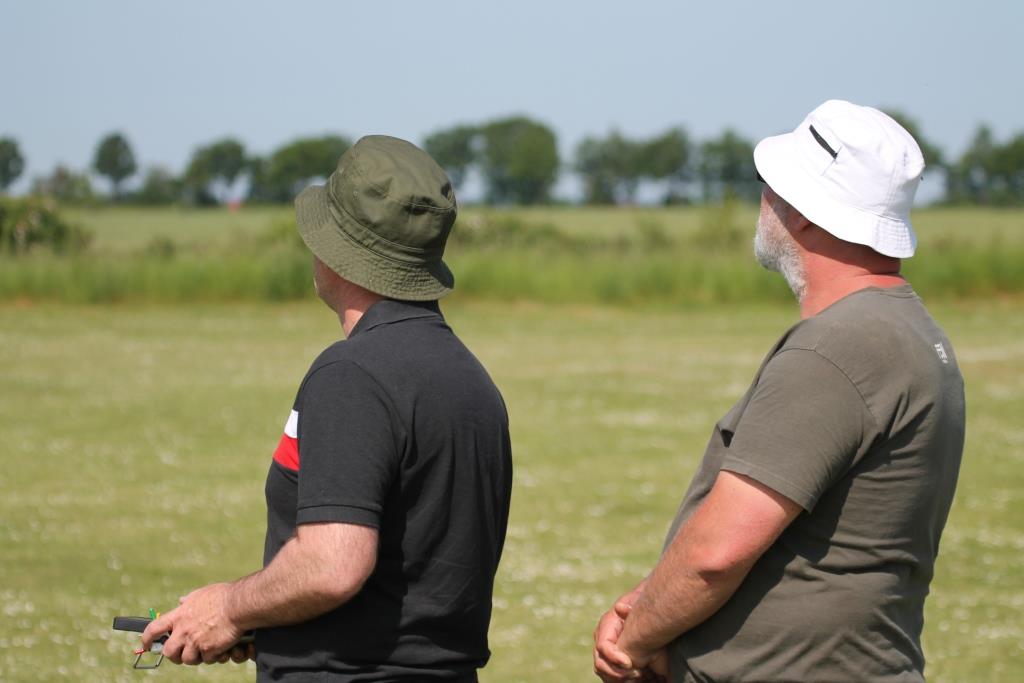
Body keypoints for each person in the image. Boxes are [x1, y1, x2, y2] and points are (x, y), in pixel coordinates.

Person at [593, 100, 965, 682]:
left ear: (807, 211)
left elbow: (717, 555)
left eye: (773, 183)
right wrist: (653, 600)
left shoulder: (837, 348)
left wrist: (633, 642)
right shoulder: (909, 329)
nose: (763, 198)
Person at [143, 135, 514, 682]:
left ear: (340, 253)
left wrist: (229, 608)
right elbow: (411, 579)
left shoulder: (351, 374)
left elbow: (333, 563)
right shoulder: (470, 378)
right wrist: (270, 621)